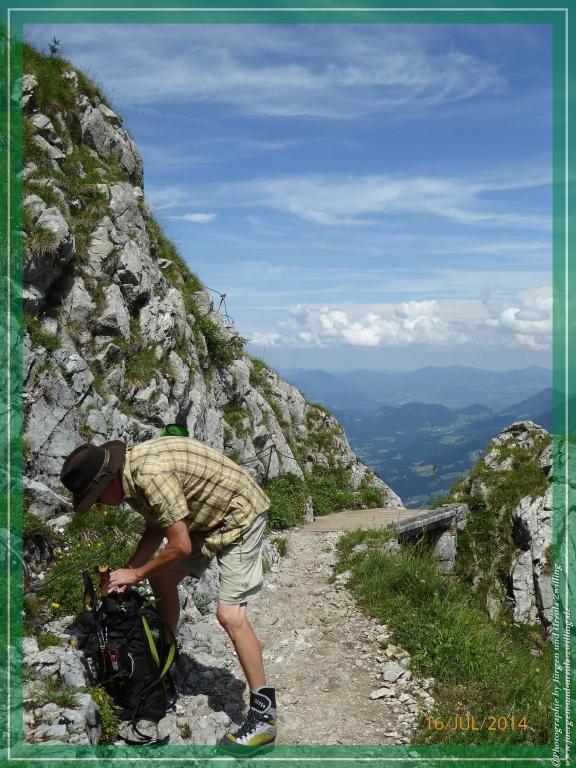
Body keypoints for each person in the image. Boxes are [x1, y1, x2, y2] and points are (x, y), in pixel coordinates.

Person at [59, 435, 277, 755]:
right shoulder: (131, 478)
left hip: (239, 514)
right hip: (203, 518)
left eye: (96, 498)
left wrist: (135, 574)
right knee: (160, 582)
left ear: (107, 482)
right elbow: (157, 528)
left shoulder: (149, 476)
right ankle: (164, 659)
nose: (100, 505)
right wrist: (131, 571)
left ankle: (264, 719)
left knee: (229, 615)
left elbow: (180, 546)